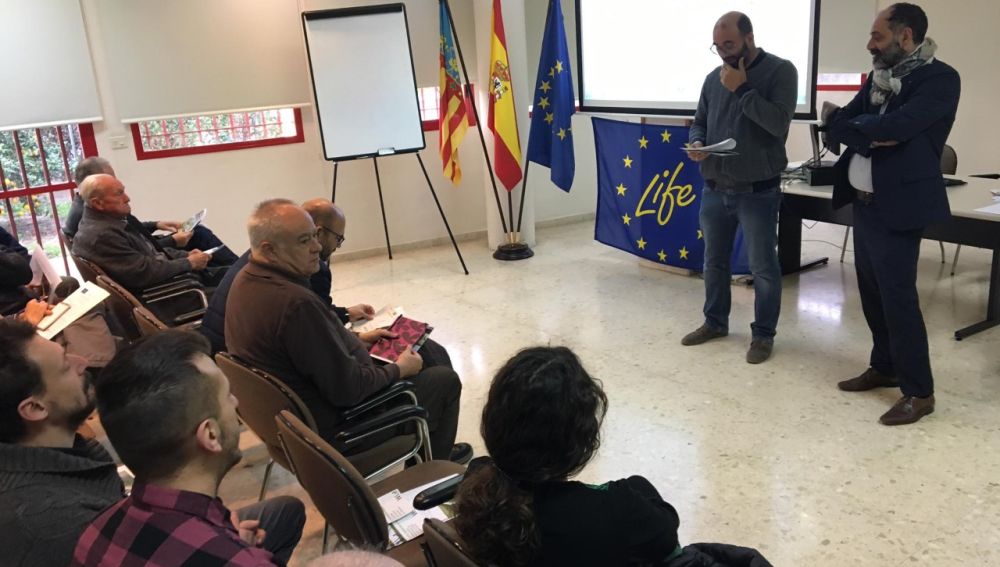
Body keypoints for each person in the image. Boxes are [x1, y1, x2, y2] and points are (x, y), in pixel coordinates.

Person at [454, 347, 771, 567]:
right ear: (579, 439)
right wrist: (637, 488)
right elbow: (664, 533)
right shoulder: (618, 510)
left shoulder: (476, 484)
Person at [225, 199, 469, 463]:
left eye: (315, 236)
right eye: (304, 241)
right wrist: (399, 369)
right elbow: (349, 389)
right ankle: (431, 471)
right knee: (444, 381)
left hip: (298, 418)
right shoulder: (295, 304)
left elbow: (311, 346)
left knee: (428, 350)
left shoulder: (246, 280)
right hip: (343, 429)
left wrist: (357, 339)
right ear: (269, 249)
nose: (317, 247)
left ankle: (430, 450)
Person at [825, 3, 959, 426]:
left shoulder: (940, 79)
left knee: (898, 299)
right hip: (864, 203)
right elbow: (837, 123)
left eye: (877, 36)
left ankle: (919, 392)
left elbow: (899, 127)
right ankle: (884, 366)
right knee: (871, 292)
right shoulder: (877, 79)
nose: (869, 44)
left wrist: (868, 128)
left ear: (905, 36)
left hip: (899, 205)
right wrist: (870, 132)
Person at [71, 330, 306, 566]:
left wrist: (231, 540)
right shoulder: (241, 561)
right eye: (227, 396)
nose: (235, 402)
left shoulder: (93, 533)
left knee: (286, 513)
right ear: (211, 435)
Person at [681, 12, 798, 364]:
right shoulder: (712, 79)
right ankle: (715, 322)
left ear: (749, 37)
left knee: (762, 267)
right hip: (715, 187)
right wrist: (697, 142)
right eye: (717, 46)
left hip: (757, 191)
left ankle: (763, 335)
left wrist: (743, 89)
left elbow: (778, 124)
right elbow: (699, 122)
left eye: (729, 44)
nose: (723, 53)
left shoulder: (781, 71)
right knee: (714, 262)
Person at [64, 157, 238, 265]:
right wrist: (177, 247)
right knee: (200, 236)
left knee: (199, 236)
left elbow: (130, 232)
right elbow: (139, 261)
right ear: (94, 183)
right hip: (160, 270)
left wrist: (156, 224)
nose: (127, 198)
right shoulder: (92, 223)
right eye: (111, 180)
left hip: (150, 254)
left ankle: (233, 272)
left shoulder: (87, 208)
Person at [71, 173, 227, 292]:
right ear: (98, 203)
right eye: (119, 194)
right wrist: (189, 262)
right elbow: (143, 272)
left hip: (177, 282)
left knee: (235, 273)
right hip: (174, 293)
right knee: (238, 281)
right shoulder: (103, 235)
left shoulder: (106, 222)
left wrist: (186, 255)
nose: (127, 198)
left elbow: (149, 253)